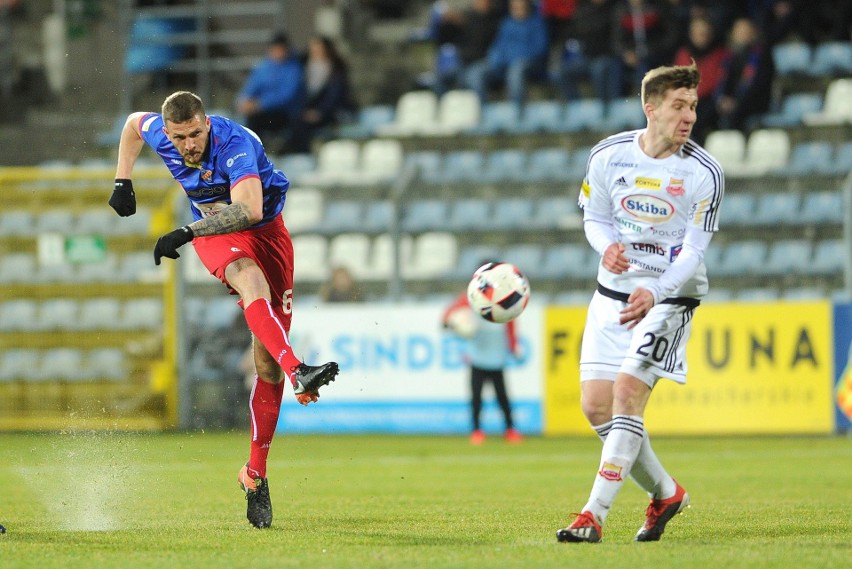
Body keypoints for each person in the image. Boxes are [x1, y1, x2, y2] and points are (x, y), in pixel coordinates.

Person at [109, 91, 340, 530]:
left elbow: (250, 209)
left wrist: (185, 230)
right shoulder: (160, 131)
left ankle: (254, 475)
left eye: (195, 134)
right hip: (218, 235)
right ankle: (299, 369)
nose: (188, 145)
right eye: (179, 138)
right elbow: (132, 124)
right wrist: (123, 179)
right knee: (248, 280)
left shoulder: (234, 144)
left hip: (266, 232)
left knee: (264, 368)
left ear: (207, 124)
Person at [556, 62, 724, 543]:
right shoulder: (609, 156)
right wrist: (603, 245)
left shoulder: (704, 172)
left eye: (692, 105)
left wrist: (656, 291)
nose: (688, 115)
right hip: (612, 294)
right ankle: (667, 493)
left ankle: (593, 515)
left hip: (670, 299)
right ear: (650, 108)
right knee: (596, 408)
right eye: (678, 105)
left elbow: (693, 253)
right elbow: (594, 217)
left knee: (628, 392)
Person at [442, 278, 523, 445]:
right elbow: (448, 317)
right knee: (476, 397)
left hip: (496, 356)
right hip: (477, 357)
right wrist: (452, 323)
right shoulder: (472, 297)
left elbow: (510, 324)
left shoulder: (503, 298)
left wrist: (513, 345)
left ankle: (510, 429)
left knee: (502, 397)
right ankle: (477, 430)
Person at [464, 0, 549, 105]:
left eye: (521, 7)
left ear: (528, 8)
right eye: (514, 8)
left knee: (515, 71)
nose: (518, 10)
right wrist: (495, 60)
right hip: (503, 64)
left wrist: (512, 59)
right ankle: (483, 109)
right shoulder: (506, 24)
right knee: (475, 73)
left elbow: (539, 49)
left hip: (528, 65)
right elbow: (498, 46)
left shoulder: (537, 24)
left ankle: (516, 111)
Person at [286, 35, 357, 154]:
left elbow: (334, 96)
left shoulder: (335, 69)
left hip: (330, 111)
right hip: (306, 110)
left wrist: (320, 112)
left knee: (302, 125)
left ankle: (303, 154)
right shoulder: (302, 66)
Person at [235, 31, 304, 151]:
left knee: (256, 120)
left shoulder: (293, 69)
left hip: (283, 113)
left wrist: (260, 104)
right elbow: (251, 87)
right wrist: (243, 101)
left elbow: (286, 96)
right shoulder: (264, 67)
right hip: (262, 111)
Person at [672, 15, 729, 144]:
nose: (702, 37)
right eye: (698, 33)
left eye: (705, 33)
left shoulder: (721, 54)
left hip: (710, 101)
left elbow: (718, 80)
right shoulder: (684, 54)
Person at [428, 0, 504, 96]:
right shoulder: (466, 17)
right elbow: (443, 39)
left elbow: (486, 38)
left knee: (473, 78)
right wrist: (447, 23)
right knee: (440, 79)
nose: (482, 3)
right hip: (463, 62)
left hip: (484, 62)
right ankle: (443, 108)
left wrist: (461, 21)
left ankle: (480, 109)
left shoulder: (495, 20)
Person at [712, 17, 774, 132]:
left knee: (734, 115)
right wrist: (722, 99)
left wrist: (736, 102)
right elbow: (722, 82)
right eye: (739, 31)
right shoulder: (729, 57)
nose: (742, 34)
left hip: (754, 102)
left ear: (753, 33)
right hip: (730, 102)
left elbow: (758, 85)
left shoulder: (762, 55)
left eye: (746, 31)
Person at [556, 0, 622, 105]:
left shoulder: (614, 9)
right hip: (586, 57)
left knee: (598, 69)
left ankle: (605, 107)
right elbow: (573, 33)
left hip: (608, 56)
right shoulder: (583, 9)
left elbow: (616, 40)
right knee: (563, 71)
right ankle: (576, 107)